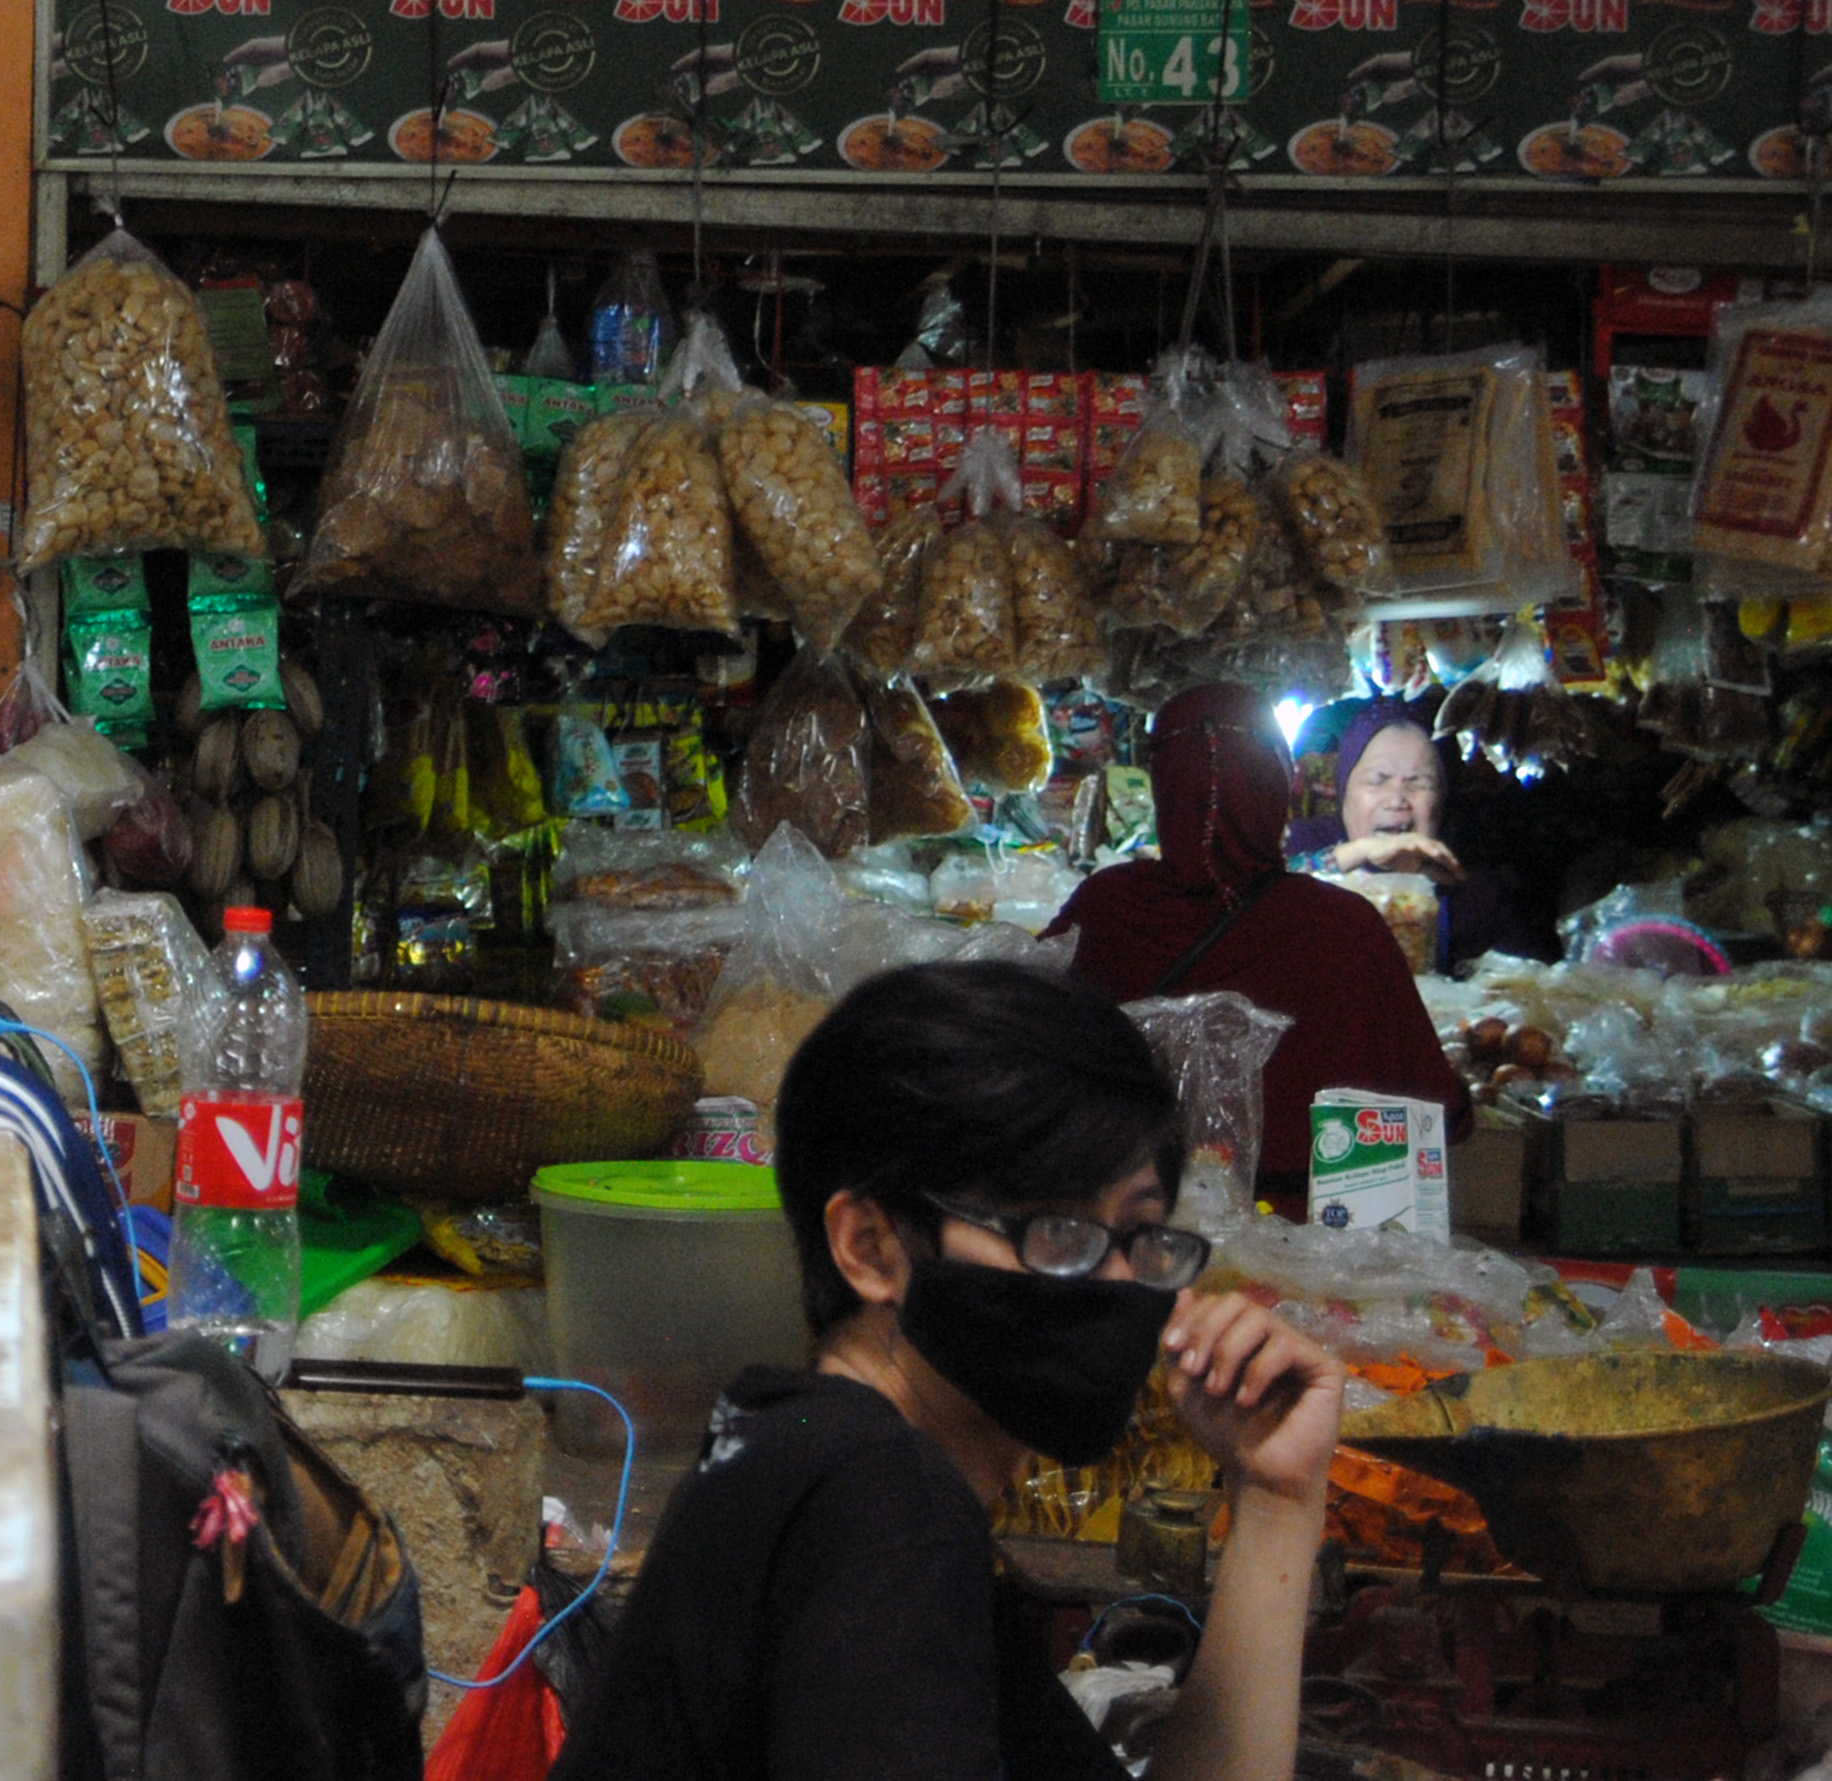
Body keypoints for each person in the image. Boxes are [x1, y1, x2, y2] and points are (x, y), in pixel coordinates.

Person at [549, 963, 1340, 1781]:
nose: (1115, 1284)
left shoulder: (811, 1452)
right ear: (869, 1247)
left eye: (1140, 1231)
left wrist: (1277, 1497)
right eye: (1055, 1231)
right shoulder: (883, 1507)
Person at [1056, 684, 1467, 1205]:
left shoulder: (1105, 907)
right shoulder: (1343, 926)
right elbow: (1436, 1109)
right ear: (1281, 779)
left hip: (1138, 1232)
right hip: (1314, 1251)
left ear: (1162, 782)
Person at [1284, 699, 1526, 969]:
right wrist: (1357, 853)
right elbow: (1252, 901)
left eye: (1418, 782)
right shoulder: (1295, 845)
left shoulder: (1476, 896)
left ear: (1443, 797)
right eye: (1378, 780)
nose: (1397, 799)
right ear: (1343, 789)